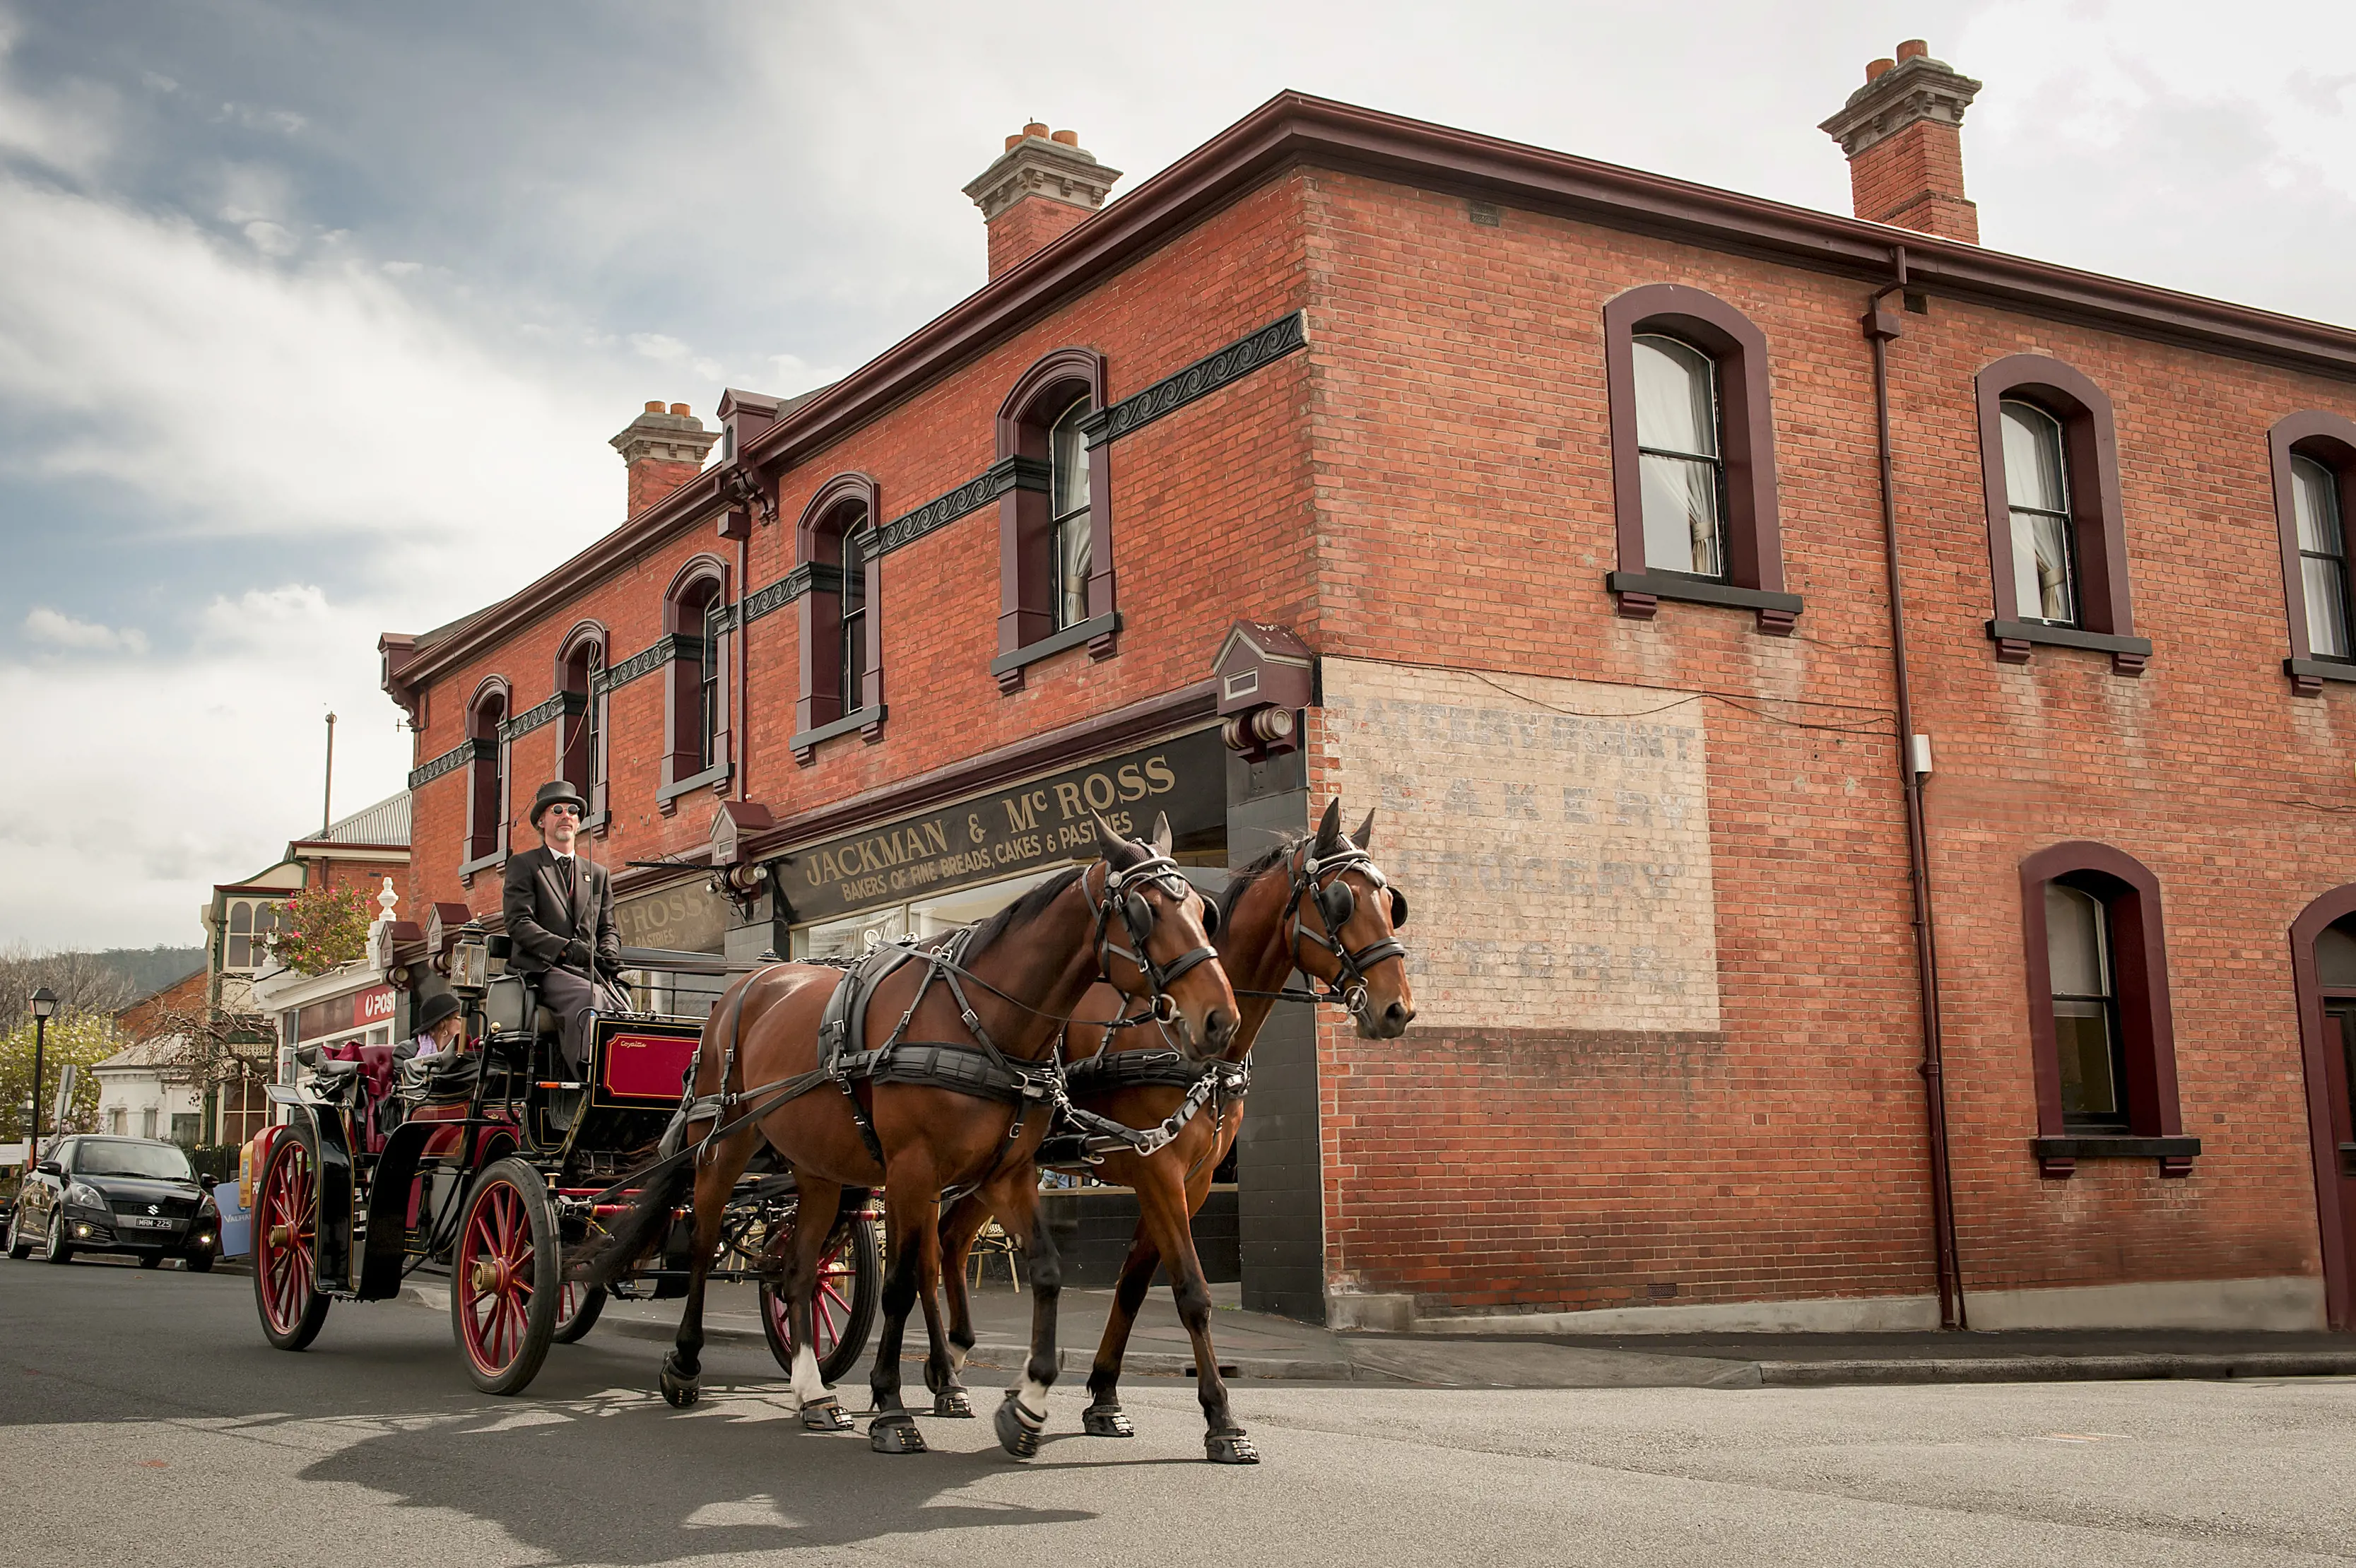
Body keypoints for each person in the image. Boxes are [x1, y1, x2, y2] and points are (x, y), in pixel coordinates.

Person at [502, 780, 624, 1075]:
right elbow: (519, 923)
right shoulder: (525, 865)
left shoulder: (597, 873)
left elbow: (608, 927)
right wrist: (566, 949)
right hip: (543, 970)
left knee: (626, 1009)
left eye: (572, 810)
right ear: (542, 821)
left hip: (589, 970)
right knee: (588, 998)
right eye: (557, 810)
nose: (566, 815)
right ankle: (589, 1074)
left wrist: (608, 952)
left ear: (579, 821)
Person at [396, 989, 466, 1062]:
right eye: (459, 1019)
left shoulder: (461, 1051)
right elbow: (406, 1073)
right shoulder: (406, 1051)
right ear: (442, 1025)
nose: (463, 1024)